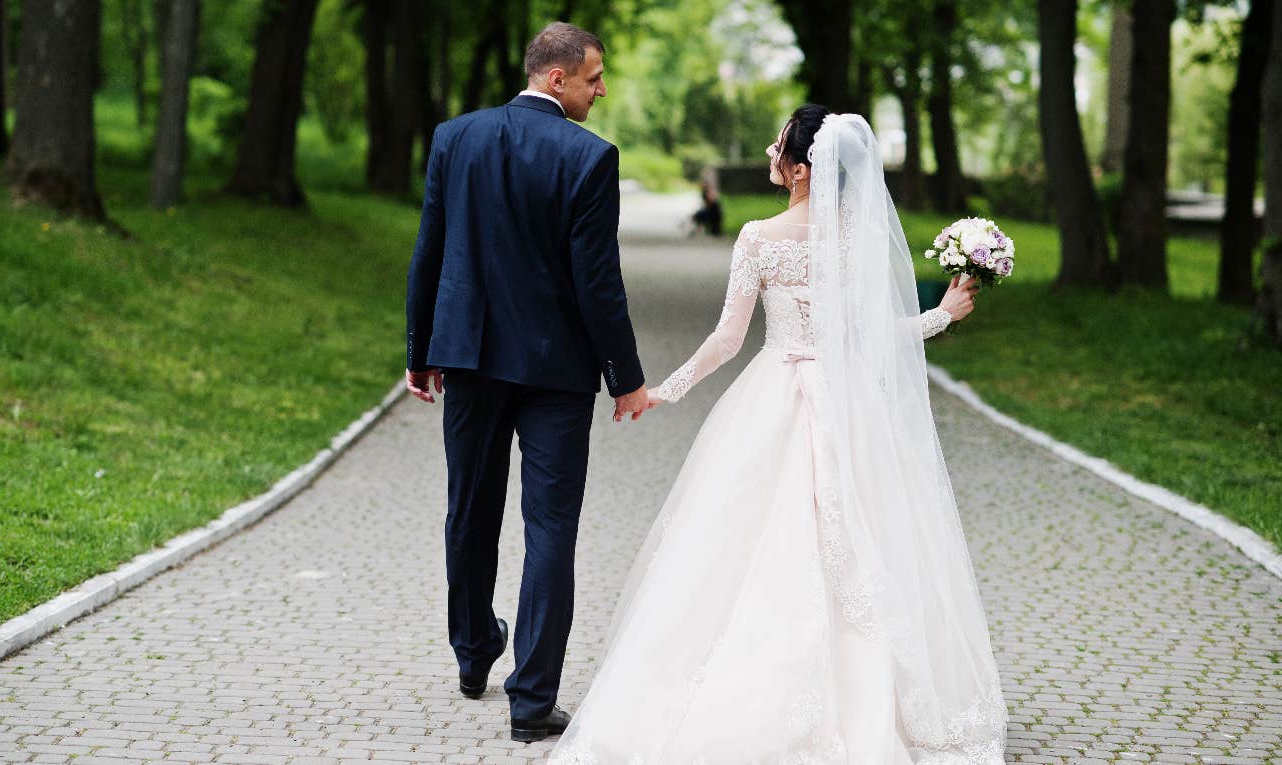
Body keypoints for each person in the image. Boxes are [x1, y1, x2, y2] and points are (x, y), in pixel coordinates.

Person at [548, 108, 1008, 763]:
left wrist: (662, 390)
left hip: (777, 395)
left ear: (797, 166)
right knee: (863, 542)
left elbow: (728, 339)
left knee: (752, 540)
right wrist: (940, 314)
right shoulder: (855, 238)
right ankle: (875, 702)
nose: (769, 147)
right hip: (849, 408)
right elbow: (873, 334)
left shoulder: (759, 237)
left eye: (780, 141)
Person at [404, 21, 648, 743]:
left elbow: (431, 252)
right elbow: (598, 282)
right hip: (556, 373)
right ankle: (532, 702)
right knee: (550, 528)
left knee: (469, 510)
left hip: (470, 359)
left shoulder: (455, 138)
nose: (602, 90)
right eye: (595, 77)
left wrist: (420, 351)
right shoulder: (590, 158)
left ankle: (474, 652)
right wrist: (625, 377)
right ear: (556, 79)